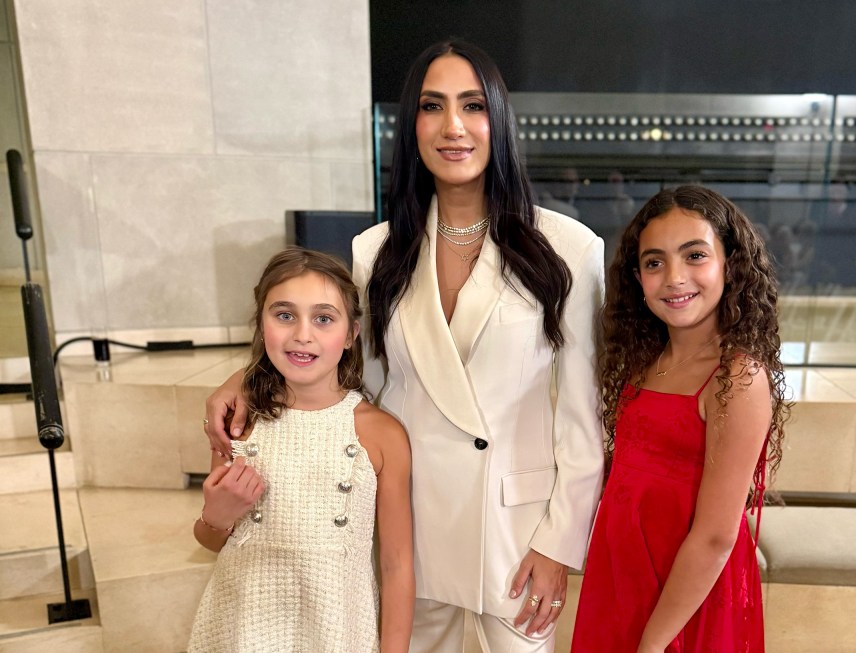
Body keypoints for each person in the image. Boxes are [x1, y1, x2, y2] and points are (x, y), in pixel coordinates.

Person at [204, 40, 605, 652]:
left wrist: (560, 544)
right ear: (409, 125)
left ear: (498, 118)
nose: (453, 127)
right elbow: (344, 368)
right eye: (431, 106)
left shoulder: (568, 249)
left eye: (472, 106)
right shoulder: (375, 250)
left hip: (515, 536)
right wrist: (250, 374)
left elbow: (583, 417)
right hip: (408, 527)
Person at [571, 185, 791, 652]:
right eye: (654, 262)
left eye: (694, 255)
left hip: (684, 598)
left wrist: (652, 643)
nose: (674, 277)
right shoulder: (645, 361)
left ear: (730, 264)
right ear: (637, 278)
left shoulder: (737, 376)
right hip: (622, 577)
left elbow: (714, 537)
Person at [189, 248, 413, 652]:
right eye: (285, 315)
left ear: (350, 335)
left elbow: (397, 566)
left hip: (336, 629)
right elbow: (210, 539)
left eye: (323, 318)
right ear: (261, 324)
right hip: (243, 625)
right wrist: (216, 516)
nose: (302, 334)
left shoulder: (381, 435)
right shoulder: (240, 421)